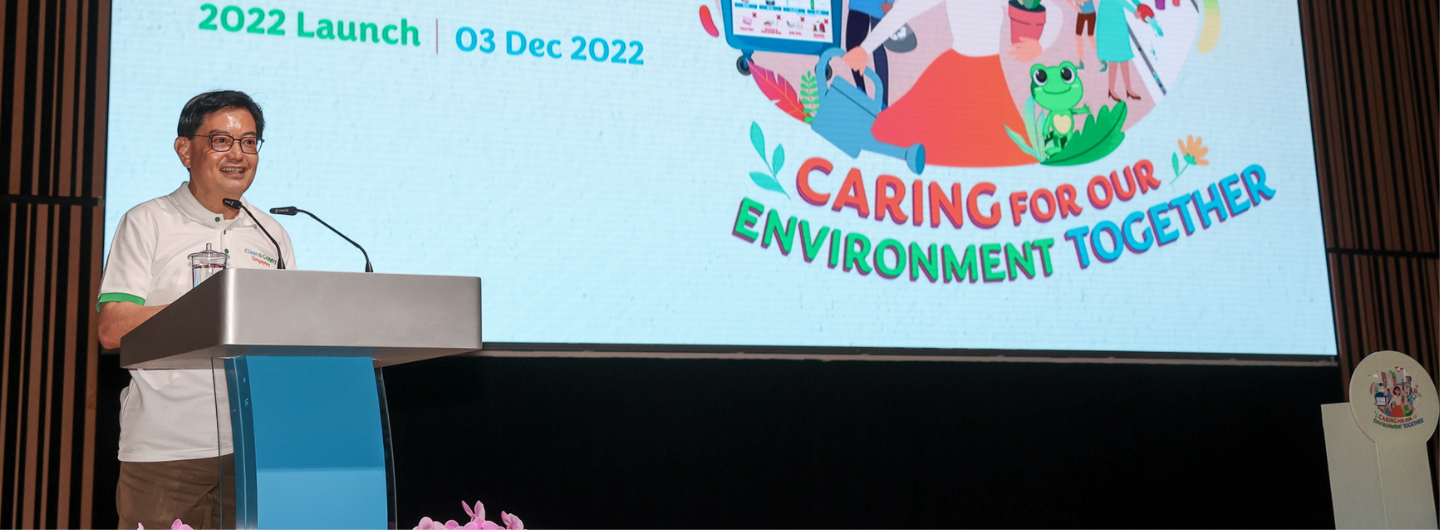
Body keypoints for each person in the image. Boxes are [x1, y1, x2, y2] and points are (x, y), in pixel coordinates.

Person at [97, 90, 295, 529]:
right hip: (166, 450)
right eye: (221, 141)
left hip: (250, 448)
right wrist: (209, 310)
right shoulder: (147, 221)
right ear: (185, 149)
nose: (238, 154)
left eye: (249, 142)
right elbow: (113, 327)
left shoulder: (272, 234)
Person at [841, 0, 1063, 168]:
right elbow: (903, 10)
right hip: (953, 72)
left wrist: (1040, 45)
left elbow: (1051, 10)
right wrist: (865, 48)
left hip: (987, 78)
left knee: (999, 147)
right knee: (900, 132)